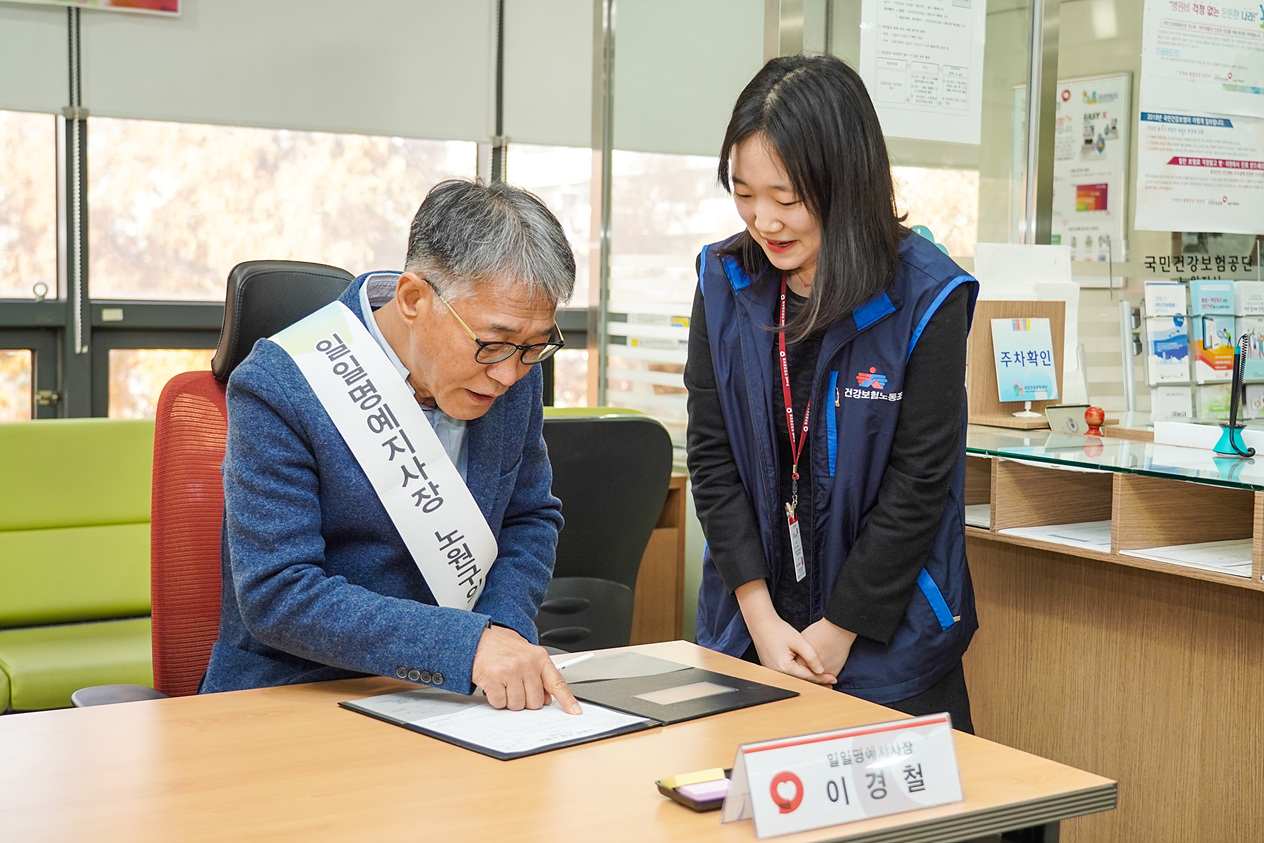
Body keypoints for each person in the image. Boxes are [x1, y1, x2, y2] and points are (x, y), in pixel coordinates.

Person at [201, 179, 582, 715]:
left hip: (458, 698)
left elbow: (530, 518)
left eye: (534, 348)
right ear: (412, 299)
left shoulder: (513, 369)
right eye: (492, 343)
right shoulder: (283, 383)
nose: (507, 374)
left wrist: (501, 632)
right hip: (299, 694)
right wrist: (467, 646)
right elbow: (278, 592)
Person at [686, 54, 978, 731]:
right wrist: (759, 616)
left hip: (888, 644)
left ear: (845, 181)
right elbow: (711, 455)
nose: (765, 220)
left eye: (787, 197)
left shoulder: (926, 298)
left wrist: (839, 629)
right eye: (744, 192)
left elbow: (919, 483)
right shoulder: (722, 282)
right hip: (751, 633)